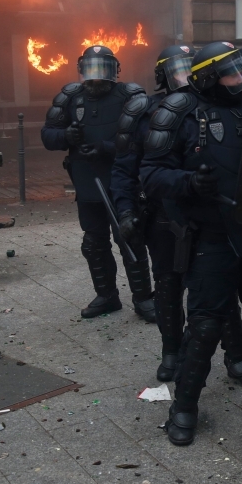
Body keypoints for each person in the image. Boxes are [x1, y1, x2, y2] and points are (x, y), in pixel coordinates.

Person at [141, 41, 242, 446]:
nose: (240, 78)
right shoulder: (177, 111)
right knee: (206, 324)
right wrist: (189, 183)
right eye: (231, 71)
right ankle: (184, 406)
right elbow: (151, 174)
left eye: (241, 69)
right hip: (211, 236)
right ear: (208, 76)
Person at [110, 45, 242, 389]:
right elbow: (125, 170)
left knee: (220, 286)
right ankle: (172, 351)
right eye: (175, 69)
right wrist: (126, 211)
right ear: (163, 75)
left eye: (186, 68)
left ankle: (236, 355)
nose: (183, 76)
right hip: (163, 215)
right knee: (167, 285)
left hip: (205, 212)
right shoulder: (144, 111)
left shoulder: (217, 105)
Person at [41, 45, 154, 321]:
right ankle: (107, 295)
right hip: (86, 182)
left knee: (130, 239)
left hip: (121, 182)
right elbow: (47, 136)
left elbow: (146, 138)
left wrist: (107, 147)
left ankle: (144, 299)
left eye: (102, 71)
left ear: (115, 71)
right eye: (90, 71)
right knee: (93, 242)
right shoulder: (70, 97)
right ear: (81, 71)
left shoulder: (130, 96)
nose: (96, 78)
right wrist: (67, 136)